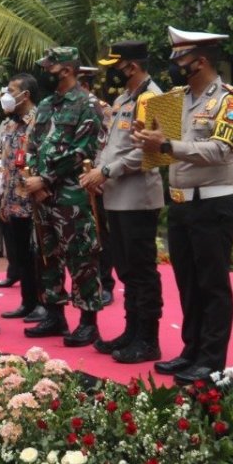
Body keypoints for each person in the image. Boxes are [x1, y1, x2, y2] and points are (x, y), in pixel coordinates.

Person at [133, 27, 233, 385]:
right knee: (187, 283)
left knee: (212, 285)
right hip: (181, 205)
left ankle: (211, 358)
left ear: (199, 62)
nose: (174, 65)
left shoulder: (232, 101)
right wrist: (144, 141)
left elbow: (218, 150)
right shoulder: (174, 99)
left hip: (214, 205)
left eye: (179, 59)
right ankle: (191, 350)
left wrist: (166, 145)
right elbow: (158, 152)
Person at [80, 40, 165, 364]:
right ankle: (132, 331)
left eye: (115, 66)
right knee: (126, 269)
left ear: (131, 66)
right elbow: (110, 144)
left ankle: (148, 338)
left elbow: (148, 150)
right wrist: (98, 173)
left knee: (142, 271)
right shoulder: (122, 99)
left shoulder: (152, 98)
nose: (111, 72)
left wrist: (106, 171)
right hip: (116, 196)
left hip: (138, 197)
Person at [23, 47, 105, 347]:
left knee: (80, 254)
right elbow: (31, 145)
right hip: (41, 196)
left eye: (51, 67)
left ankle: (88, 321)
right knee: (46, 255)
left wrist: (45, 178)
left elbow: (82, 150)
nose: (46, 72)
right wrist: (35, 180)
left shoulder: (88, 104)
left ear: (67, 70)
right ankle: (54, 312)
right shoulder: (45, 105)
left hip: (72, 195)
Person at [0, 74, 46, 322]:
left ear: (25, 95)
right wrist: (4, 200)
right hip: (14, 200)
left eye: (12, 90)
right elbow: (7, 166)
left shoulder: (39, 120)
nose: (6, 95)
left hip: (35, 201)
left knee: (39, 254)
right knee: (21, 255)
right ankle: (27, 302)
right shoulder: (10, 124)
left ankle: (43, 302)